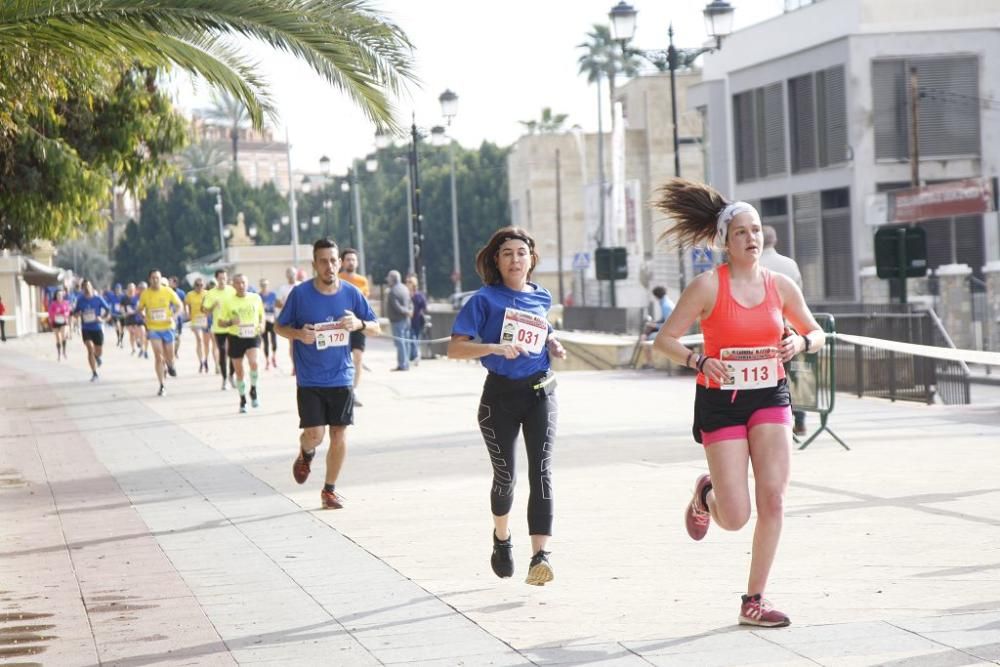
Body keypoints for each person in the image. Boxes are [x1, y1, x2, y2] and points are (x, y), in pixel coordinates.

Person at [650, 178, 825, 627]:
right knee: (735, 517)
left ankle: (754, 599)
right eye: (743, 231)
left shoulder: (780, 286)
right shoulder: (708, 286)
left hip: (770, 396)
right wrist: (697, 359)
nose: (753, 237)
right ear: (726, 241)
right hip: (721, 401)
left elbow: (816, 333)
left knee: (774, 500)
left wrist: (799, 345)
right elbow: (663, 340)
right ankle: (706, 493)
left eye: (758, 229)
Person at [447, 226, 567, 586]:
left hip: (540, 392)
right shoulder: (483, 300)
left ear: (531, 259)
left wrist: (553, 343)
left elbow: (542, 329)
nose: (515, 259)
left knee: (541, 471)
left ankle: (540, 557)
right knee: (506, 477)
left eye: (521, 252)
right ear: (496, 261)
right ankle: (501, 538)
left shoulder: (541, 296)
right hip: (499, 397)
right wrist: (493, 347)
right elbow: (455, 348)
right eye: (507, 253)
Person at [275, 238, 380, 510]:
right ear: (314, 264)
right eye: (324, 261)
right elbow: (279, 326)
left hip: (341, 376)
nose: (330, 266)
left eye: (334, 260)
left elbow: (375, 327)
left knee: (339, 434)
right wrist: (298, 334)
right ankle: (306, 452)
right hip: (310, 378)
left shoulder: (351, 293)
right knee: (315, 435)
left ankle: (329, 490)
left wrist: (358, 324)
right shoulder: (300, 295)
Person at [759, 225, 807, 436]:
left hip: (756, 335)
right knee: (792, 375)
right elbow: (799, 300)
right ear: (775, 241)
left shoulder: (752, 266)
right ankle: (799, 417)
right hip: (787, 332)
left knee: (768, 381)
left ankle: (769, 421)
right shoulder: (790, 265)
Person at [217, 274, 265, 414]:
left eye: (243, 282)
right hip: (235, 337)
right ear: (233, 285)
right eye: (237, 283)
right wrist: (231, 322)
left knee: (254, 363)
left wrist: (262, 326)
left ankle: (254, 389)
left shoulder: (255, 298)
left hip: (252, 335)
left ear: (247, 283)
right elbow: (220, 322)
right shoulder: (228, 301)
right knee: (239, 371)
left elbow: (261, 316)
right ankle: (243, 399)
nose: (241, 285)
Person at [136, 269, 183, 396]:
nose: (155, 280)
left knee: (170, 356)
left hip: (167, 328)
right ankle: (162, 385)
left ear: (160, 278)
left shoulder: (167, 291)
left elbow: (180, 306)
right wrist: (143, 316)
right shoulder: (145, 294)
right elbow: (139, 309)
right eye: (153, 278)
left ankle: (170, 365)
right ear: (149, 279)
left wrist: (174, 316)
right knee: (158, 356)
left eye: (157, 277)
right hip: (154, 328)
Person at [338, 249, 370, 404]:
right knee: (341, 359)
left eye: (353, 259)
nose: (351, 262)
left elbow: (365, 304)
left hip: (357, 324)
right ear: (342, 262)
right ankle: (342, 389)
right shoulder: (337, 279)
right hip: (341, 325)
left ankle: (354, 390)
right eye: (348, 259)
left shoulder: (362, 281)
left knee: (358, 357)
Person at [202, 269, 237, 390]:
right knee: (222, 352)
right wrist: (213, 306)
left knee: (233, 352)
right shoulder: (211, 293)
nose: (222, 281)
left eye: (224, 278)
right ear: (216, 279)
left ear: (227, 279)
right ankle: (224, 379)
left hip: (232, 326)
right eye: (220, 278)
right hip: (218, 328)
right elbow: (205, 311)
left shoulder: (232, 291)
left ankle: (232, 376)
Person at [72, 279, 111, 381]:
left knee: (98, 350)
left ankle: (97, 357)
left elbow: (108, 309)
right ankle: (94, 373)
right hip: (86, 328)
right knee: (90, 348)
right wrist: (77, 314)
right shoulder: (80, 300)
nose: (87, 288)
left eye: (88, 286)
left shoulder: (98, 298)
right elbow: (75, 313)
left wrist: (102, 318)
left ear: (91, 287)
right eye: (84, 287)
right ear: (82, 289)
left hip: (97, 327)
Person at [385, 270, 413, 371]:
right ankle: (407, 363)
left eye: (388, 278)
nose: (387, 280)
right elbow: (410, 302)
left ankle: (402, 365)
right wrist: (410, 311)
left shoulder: (392, 291)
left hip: (397, 320)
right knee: (406, 342)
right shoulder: (405, 288)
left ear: (392, 279)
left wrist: (406, 311)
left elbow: (397, 307)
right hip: (407, 320)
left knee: (400, 343)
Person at [642, 285, 675, 368]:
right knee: (647, 333)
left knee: (646, 338)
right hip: (670, 330)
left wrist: (654, 325)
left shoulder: (665, 305)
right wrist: (654, 324)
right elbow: (664, 320)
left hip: (670, 332)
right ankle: (649, 362)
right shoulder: (666, 302)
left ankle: (649, 363)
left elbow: (668, 325)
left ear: (656, 296)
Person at [276, 266, 301, 374]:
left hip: (303, 317)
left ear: (296, 274)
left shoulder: (301, 285)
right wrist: (286, 305)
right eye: (289, 273)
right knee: (292, 344)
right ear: (286, 275)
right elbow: (277, 303)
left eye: (293, 273)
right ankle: (295, 366)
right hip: (290, 320)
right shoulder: (283, 288)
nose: (291, 276)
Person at [184, 277, 211, 373]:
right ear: (194, 286)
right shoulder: (190, 295)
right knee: (199, 340)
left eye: (201, 285)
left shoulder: (207, 294)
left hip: (205, 320)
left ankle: (206, 359)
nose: (199, 287)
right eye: (197, 285)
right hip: (195, 320)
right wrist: (187, 312)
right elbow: (187, 305)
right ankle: (201, 361)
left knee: (206, 342)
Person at [406, 274, 428, 365]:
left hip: (417, 320)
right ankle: (413, 356)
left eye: (410, 282)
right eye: (407, 282)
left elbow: (425, 306)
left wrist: (421, 312)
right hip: (407, 320)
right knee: (411, 338)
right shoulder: (406, 294)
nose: (408, 283)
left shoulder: (419, 295)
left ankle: (415, 355)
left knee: (415, 338)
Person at [259, 278, 279, 370]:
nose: (264, 287)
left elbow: (277, 305)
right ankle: (267, 361)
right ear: (260, 286)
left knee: (274, 341)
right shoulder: (258, 296)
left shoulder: (273, 295)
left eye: (265, 285)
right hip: (263, 321)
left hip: (272, 320)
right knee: (265, 342)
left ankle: (274, 356)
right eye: (262, 285)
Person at [48, 289, 72, 359]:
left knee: (63, 336)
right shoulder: (53, 304)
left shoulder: (66, 303)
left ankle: (64, 352)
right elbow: (50, 312)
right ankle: (59, 354)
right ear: (56, 296)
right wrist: (56, 314)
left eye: (61, 295)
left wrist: (64, 314)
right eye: (58, 295)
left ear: (63, 296)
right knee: (58, 338)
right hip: (55, 322)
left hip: (63, 321)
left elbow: (68, 311)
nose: (59, 296)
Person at [169, 276, 186, 358]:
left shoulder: (181, 293)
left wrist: (185, 313)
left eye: (173, 282)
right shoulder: (166, 292)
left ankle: (175, 351)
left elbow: (183, 304)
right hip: (169, 317)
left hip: (178, 318)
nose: (171, 283)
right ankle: (170, 352)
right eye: (170, 281)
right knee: (171, 336)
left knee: (178, 336)